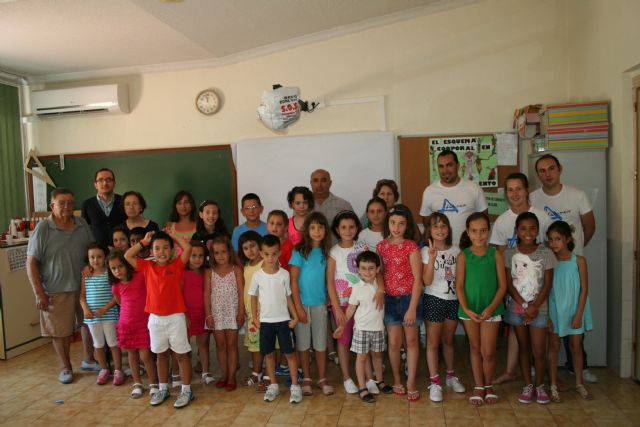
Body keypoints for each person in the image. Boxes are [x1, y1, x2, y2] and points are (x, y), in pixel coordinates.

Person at [530, 153, 597, 383]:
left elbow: (589, 228)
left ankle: (578, 367)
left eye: (551, 169)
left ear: (560, 169)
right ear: (537, 174)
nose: (547, 174)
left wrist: (570, 253)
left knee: (574, 320)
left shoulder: (577, 195)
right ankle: (542, 366)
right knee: (551, 318)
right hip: (548, 267)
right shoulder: (533, 199)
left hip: (571, 267)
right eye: (542, 170)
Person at [27, 187, 95, 384]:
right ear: (52, 205)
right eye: (62, 203)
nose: (67, 207)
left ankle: (89, 360)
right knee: (60, 331)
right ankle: (66, 367)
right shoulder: (43, 229)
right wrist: (39, 293)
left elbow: (92, 250)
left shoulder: (81, 224)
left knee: (88, 325)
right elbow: (31, 262)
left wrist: (89, 266)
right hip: (55, 289)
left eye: (70, 203)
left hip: (83, 287)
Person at [491, 172, 551, 386]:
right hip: (515, 292)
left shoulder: (542, 218)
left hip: (539, 291)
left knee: (540, 336)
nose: (515, 193)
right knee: (516, 332)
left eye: (519, 188)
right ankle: (511, 371)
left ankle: (545, 378)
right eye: (510, 189)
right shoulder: (502, 221)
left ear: (527, 190)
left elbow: (548, 250)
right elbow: (501, 256)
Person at [124, 230, 194, 408]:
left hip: (175, 318)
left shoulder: (177, 266)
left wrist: (175, 236)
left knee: (181, 355)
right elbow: (127, 255)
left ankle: (186, 389)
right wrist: (143, 242)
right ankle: (163, 388)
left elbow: (187, 248)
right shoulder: (147, 267)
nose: (161, 251)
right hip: (155, 320)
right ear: (151, 251)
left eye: (165, 248)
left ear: (172, 250)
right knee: (161, 355)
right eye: (157, 248)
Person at [504, 212, 556, 405]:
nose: (528, 232)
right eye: (523, 228)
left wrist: (534, 307)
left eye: (532, 228)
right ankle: (528, 385)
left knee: (539, 350)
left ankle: (540, 385)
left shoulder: (546, 253)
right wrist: (524, 305)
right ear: (516, 230)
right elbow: (509, 284)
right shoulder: (509, 253)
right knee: (524, 348)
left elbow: (547, 284)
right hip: (517, 309)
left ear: (537, 230)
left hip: (539, 310)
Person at [456, 212, 506, 406]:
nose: (479, 235)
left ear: (489, 231)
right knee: (475, 348)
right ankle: (479, 386)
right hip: (469, 311)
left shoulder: (496, 254)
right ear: (468, 233)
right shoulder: (463, 256)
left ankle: (488, 385)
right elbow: (459, 286)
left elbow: (503, 286)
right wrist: (466, 309)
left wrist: (491, 307)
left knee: (489, 352)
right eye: (474, 231)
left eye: (483, 231)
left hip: (491, 310)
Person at [376, 204, 423, 401]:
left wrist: (412, 308)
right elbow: (379, 274)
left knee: (411, 342)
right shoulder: (381, 247)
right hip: (390, 301)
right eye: (393, 222)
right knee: (394, 343)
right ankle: (396, 378)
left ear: (407, 225)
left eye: (401, 224)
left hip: (409, 300)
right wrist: (380, 289)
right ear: (388, 223)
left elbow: (418, 280)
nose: (396, 227)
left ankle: (411, 380)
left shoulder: (411, 246)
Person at [248, 234, 302, 403]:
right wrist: (256, 317)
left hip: (284, 321)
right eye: (266, 254)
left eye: (273, 254)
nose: (270, 258)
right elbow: (253, 296)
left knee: (290, 354)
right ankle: (273, 385)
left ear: (279, 253)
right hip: (265, 322)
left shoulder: (284, 275)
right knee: (269, 354)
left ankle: (294, 385)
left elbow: (288, 297)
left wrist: (294, 316)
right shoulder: (257, 276)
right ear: (261, 254)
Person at [333, 251, 392, 403]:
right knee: (361, 358)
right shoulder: (356, 287)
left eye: (371, 268)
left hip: (378, 328)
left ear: (377, 269)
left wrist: (381, 288)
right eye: (364, 268)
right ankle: (362, 387)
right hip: (361, 329)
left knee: (378, 356)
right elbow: (351, 309)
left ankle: (379, 381)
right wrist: (342, 325)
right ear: (358, 270)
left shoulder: (380, 284)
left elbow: (382, 281)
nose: (367, 272)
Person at [547, 221, 594, 402]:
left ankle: (579, 383)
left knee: (576, 348)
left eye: (558, 239)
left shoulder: (579, 261)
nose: (554, 243)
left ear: (567, 239)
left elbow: (584, 290)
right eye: (550, 240)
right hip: (555, 310)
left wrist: (578, 314)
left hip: (575, 310)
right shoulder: (550, 262)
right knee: (554, 347)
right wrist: (549, 317)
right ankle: (552, 384)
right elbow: (547, 289)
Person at [289, 212, 335, 396]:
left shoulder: (327, 252)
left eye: (321, 227)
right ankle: (307, 377)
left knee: (321, 343)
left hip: (320, 304)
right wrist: (298, 308)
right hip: (302, 305)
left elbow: (327, 278)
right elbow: (293, 281)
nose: (317, 231)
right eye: (313, 227)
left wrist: (329, 297)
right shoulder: (299, 251)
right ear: (307, 230)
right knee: (303, 344)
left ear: (325, 230)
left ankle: (322, 378)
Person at [421, 212, 465, 402]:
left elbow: (460, 280)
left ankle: (449, 376)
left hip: (453, 299)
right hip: (433, 298)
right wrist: (432, 258)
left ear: (449, 229)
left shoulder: (457, 251)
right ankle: (435, 381)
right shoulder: (425, 251)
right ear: (429, 230)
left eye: (443, 226)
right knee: (433, 342)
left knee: (448, 341)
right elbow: (427, 280)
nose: (440, 230)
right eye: (435, 226)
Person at [108, 249, 159, 399]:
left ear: (127, 265)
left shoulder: (140, 276)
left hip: (143, 323)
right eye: (113, 268)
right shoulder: (116, 286)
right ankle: (137, 382)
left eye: (120, 266)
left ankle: (154, 383)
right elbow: (119, 302)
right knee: (132, 354)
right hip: (126, 325)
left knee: (145, 355)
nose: (117, 271)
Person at [326, 210, 368, 394]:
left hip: (363, 303)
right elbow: (329, 281)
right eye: (343, 227)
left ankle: (367, 376)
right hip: (342, 303)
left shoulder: (363, 248)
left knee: (364, 338)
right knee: (343, 340)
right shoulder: (334, 252)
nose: (348, 230)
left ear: (357, 228)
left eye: (352, 226)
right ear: (337, 229)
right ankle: (346, 377)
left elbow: (372, 273)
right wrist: (337, 308)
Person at [419, 150, 487, 246]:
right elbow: (427, 223)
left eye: (449, 165)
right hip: (441, 250)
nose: (445, 170)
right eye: (441, 166)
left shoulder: (474, 188)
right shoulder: (429, 191)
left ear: (458, 166)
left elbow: (483, 221)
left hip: (469, 249)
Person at [204, 236, 245, 391]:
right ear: (212, 255)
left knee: (232, 345)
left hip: (233, 313)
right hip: (217, 314)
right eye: (216, 253)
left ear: (230, 252)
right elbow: (206, 294)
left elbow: (241, 293)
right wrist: (208, 315)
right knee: (220, 345)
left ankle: (232, 376)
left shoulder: (236, 270)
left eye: (223, 252)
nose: (220, 256)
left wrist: (241, 312)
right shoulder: (209, 272)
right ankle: (224, 374)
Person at [79, 242, 123, 386]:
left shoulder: (109, 274)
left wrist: (104, 309)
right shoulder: (86, 275)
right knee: (98, 344)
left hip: (109, 315)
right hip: (92, 317)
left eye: (99, 257)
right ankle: (104, 369)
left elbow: (116, 296)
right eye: (92, 257)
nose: (95, 260)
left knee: (112, 343)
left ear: (105, 257)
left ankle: (118, 370)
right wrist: (85, 309)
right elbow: (82, 296)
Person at [237, 231, 266, 390]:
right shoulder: (246, 267)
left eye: (253, 246)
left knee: (268, 345)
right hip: (251, 314)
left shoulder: (266, 264)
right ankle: (257, 372)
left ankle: (268, 373)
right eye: (246, 248)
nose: (250, 250)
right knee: (254, 345)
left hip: (265, 314)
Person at [183, 241, 214, 385]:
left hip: (203, 313)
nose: (197, 259)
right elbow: (178, 294)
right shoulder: (182, 273)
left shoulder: (206, 273)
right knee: (185, 346)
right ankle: (185, 370)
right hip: (187, 315)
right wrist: (184, 315)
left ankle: (206, 371)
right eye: (193, 255)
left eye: (200, 255)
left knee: (203, 344)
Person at [81, 168, 127, 247]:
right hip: (97, 253)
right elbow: (84, 230)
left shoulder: (124, 201)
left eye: (108, 180)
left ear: (114, 183)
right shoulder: (87, 204)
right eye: (101, 180)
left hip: (121, 251)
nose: (105, 183)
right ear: (95, 184)